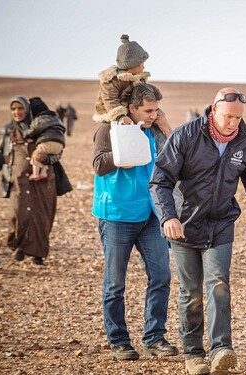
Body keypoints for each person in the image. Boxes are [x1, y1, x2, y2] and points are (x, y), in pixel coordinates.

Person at [149, 87, 246, 375]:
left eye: (239, 118)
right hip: (184, 227)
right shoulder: (186, 136)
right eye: (228, 117)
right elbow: (160, 181)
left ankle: (220, 349)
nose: (233, 123)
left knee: (219, 285)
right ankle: (193, 354)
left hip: (221, 225)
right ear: (213, 110)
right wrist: (168, 217)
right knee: (191, 292)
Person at [92, 83, 178, 361]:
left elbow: (179, 158)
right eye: (148, 110)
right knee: (115, 283)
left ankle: (154, 337)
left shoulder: (154, 130)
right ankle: (118, 340)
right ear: (131, 108)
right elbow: (98, 164)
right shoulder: (109, 129)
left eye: (156, 110)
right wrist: (120, 158)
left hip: (152, 214)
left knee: (161, 276)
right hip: (117, 215)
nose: (153, 115)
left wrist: (166, 126)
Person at [0, 97, 64, 265]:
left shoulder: (41, 127)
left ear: (27, 110)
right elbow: (0, 154)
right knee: (17, 214)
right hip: (18, 180)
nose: (17, 112)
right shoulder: (7, 130)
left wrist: (45, 160)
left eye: (20, 109)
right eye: (14, 109)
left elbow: (57, 152)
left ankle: (37, 253)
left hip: (43, 181)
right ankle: (20, 246)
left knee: (41, 216)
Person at [92, 34, 171, 138]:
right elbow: (110, 100)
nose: (143, 67)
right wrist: (120, 117)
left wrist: (158, 116)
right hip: (115, 114)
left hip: (133, 115)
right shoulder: (112, 81)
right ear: (133, 65)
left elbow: (144, 97)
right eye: (141, 64)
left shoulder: (139, 79)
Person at [24, 97, 65, 181]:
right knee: (44, 157)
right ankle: (43, 173)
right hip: (60, 144)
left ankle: (35, 174)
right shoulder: (56, 117)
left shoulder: (39, 119)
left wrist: (26, 134)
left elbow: (34, 130)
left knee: (37, 155)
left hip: (48, 141)